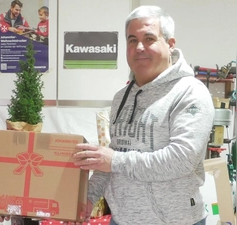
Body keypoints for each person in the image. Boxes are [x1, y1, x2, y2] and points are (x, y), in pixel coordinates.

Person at [73, 5, 215, 225]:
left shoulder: (191, 92)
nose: (139, 47)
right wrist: (87, 197)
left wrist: (115, 161)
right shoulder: (122, 97)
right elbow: (113, 156)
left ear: (170, 44)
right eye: (132, 40)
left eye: (149, 38)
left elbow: (182, 159)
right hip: (121, 220)